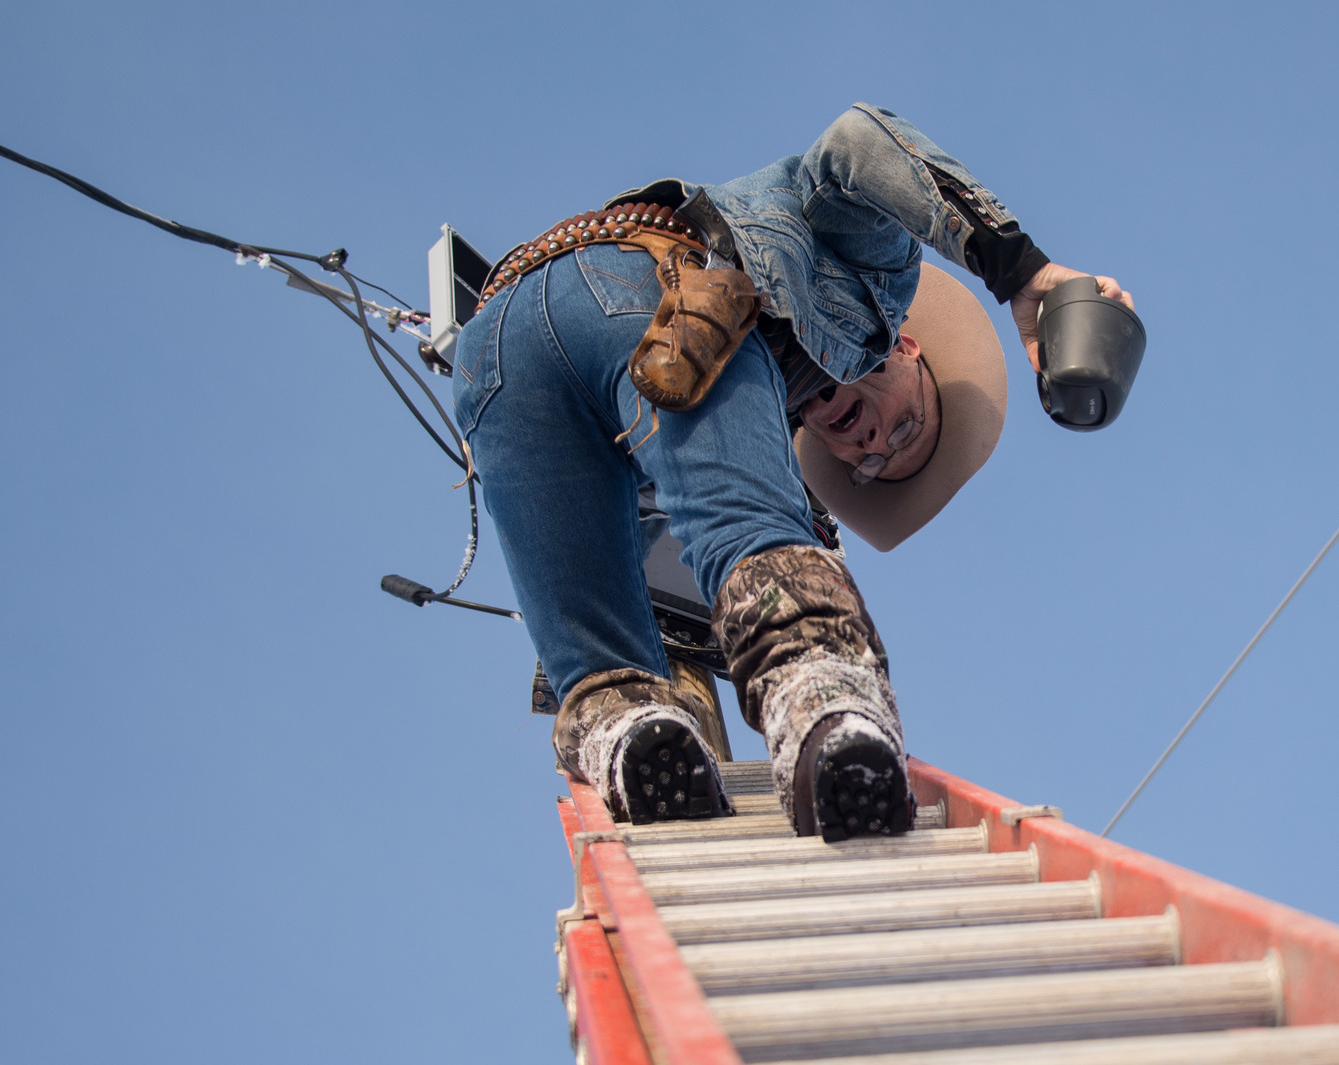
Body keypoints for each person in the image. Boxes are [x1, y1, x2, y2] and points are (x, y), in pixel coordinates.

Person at [452, 105, 1133, 840]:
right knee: (755, 540)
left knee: (602, 663)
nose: (869, 444)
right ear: (905, 349)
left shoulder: (760, 423)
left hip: (494, 348)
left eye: (871, 465)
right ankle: (824, 705)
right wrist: (1024, 271)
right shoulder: (877, 286)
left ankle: (628, 738)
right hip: (655, 285)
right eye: (905, 424)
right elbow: (859, 141)